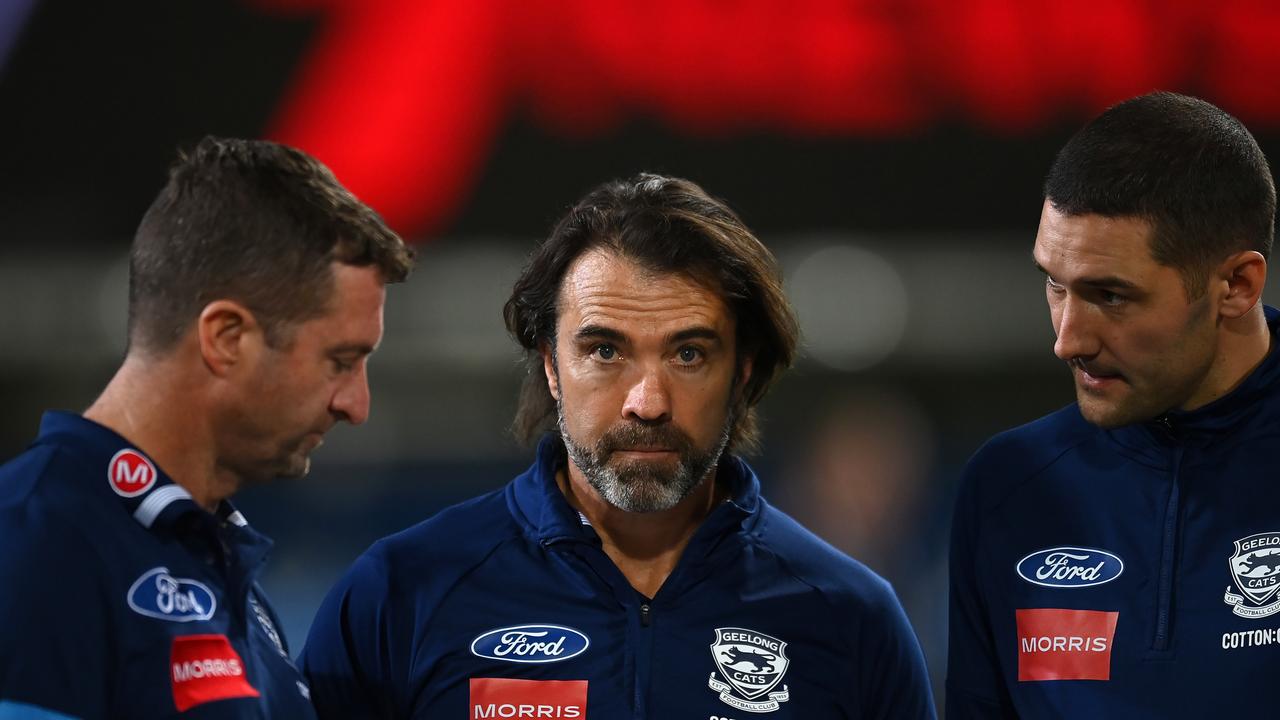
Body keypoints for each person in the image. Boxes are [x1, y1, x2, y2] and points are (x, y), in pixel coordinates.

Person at [302, 173, 937, 718]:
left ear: (742, 372)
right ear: (551, 366)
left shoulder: (852, 620)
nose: (648, 402)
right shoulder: (400, 593)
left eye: (689, 354)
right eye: (605, 351)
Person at [0, 137, 414, 718]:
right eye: (340, 361)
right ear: (226, 338)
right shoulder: (32, 544)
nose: (356, 405)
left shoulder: (219, 568)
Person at [947, 91, 1279, 718]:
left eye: (1112, 295)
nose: (1067, 339)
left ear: (1237, 286)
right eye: (1054, 282)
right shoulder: (1008, 487)